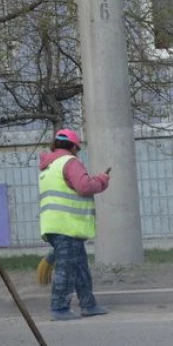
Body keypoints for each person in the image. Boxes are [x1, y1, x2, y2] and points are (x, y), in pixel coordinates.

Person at [38, 128, 110, 321]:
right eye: (77, 149)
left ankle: (88, 304)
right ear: (73, 147)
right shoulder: (70, 162)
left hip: (55, 224)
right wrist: (101, 180)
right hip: (67, 225)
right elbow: (84, 187)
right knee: (66, 268)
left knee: (79, 266)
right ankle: (59, 307)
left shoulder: (48, 166)